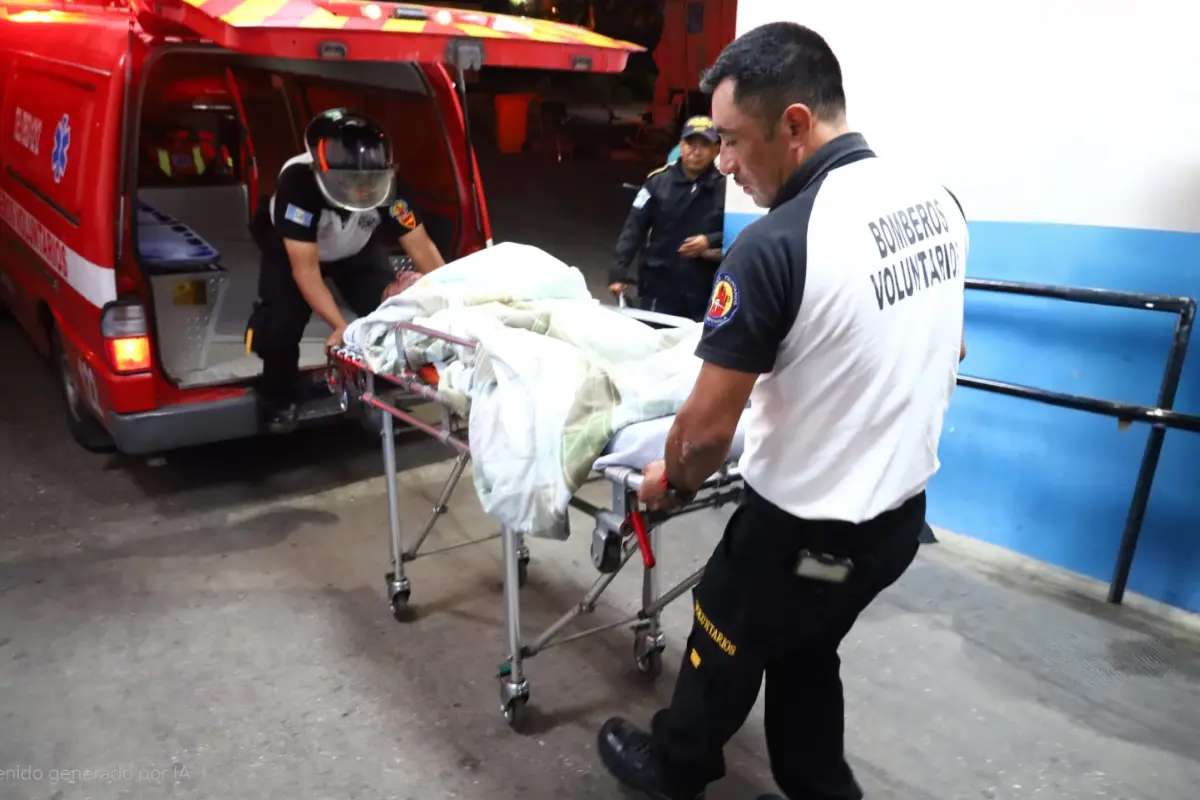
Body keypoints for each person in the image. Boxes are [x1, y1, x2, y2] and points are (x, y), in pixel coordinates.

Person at [596, 21, 969, 800]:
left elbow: (702, 433)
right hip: (896, 524)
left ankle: (674, 767)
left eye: (731, 141)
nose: (724, 164)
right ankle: (816, 781)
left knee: (725, 630)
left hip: (803, 533)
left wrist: (671, 482)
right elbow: (947, 347)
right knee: (808, 643)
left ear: (794, 125)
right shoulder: (937, 202)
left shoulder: (775, 246)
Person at [246, 108, 446, 433]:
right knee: (281, 321)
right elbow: (307, 271)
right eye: (350, 183)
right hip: (295, 251)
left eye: (370, 183)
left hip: (355, 247)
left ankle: (382, 381)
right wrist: (341, 327)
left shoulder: (392, 188)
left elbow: (421, 247)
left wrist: (455, 297)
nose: (361, 191)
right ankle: (278, 395)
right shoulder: (297, 185)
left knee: (391, 307)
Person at [608, 116, 727, 321]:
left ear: (716, 149)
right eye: (691, 144)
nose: (696, 151)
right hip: (659, 285)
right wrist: (618, 273)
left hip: (703, 290)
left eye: (704, 145)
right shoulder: (657, 182)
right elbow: (633, 229)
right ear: (681, 145)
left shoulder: (727, 188)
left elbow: (740, 233)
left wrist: (710, 240)